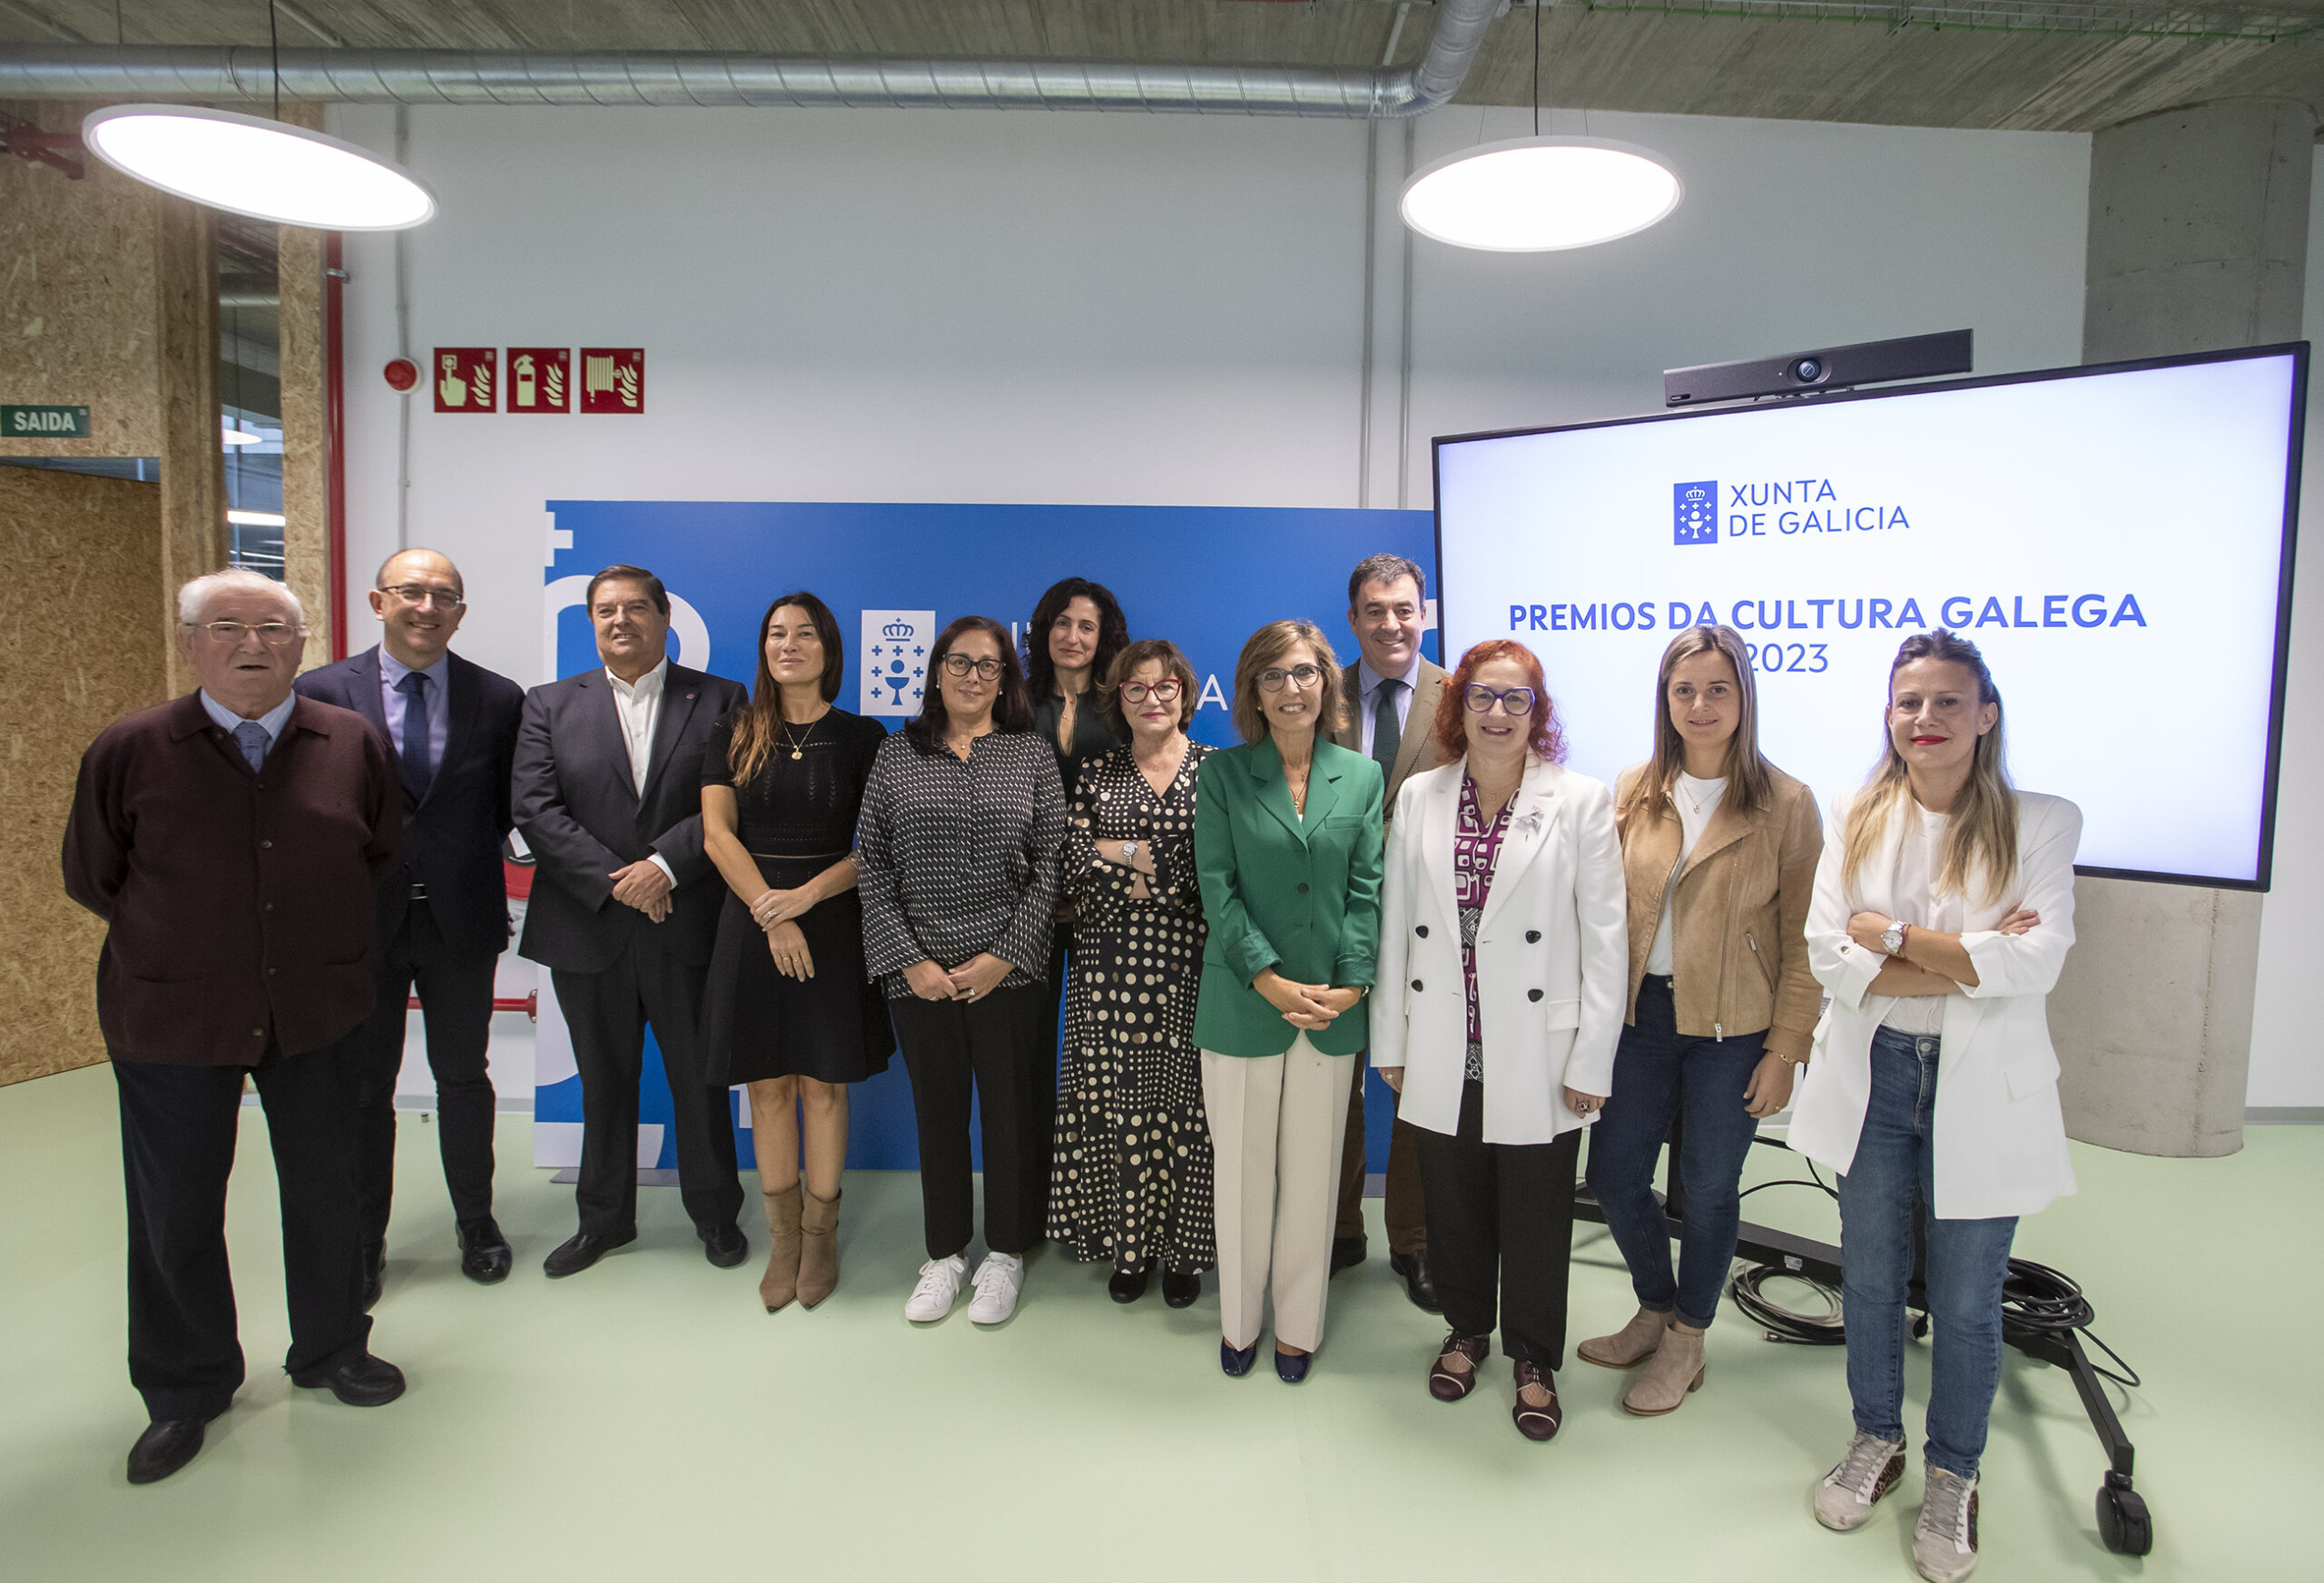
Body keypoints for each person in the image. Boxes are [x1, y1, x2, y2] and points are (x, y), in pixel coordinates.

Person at [63, 569, 406, 1487]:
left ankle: (332, 1347)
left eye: (272, 629)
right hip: (173, 1011)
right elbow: (93, 872)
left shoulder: (350, 741)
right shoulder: (131, 748)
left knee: (327, 1187)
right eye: (226, 627)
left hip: (317, 1010)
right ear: (189, 641)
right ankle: (185, 1387)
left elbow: (375, 853)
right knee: (174, 1205)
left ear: (301, 645)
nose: (251, 645)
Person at [1795, 630, 2077, 1583]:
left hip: (1978, 1090)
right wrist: (1968, 956)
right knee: (1871, 1280)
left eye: (1947, 702)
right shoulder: (1853, 810)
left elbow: (2037, 962)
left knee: (1963, 1303)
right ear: (1889, 714)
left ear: (1984, 714)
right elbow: (1828, 955)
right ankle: (1877, 1437)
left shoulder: (2041, 820)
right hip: (1872, 1077)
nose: (1926, 719)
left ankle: (1954, 1470)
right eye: (1909, 702)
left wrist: (1900, 939)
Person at [1372, 640, 1624, 1440]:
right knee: (1452, 1204)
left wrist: (1591, 1059)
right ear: (1460, 705)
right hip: (1445, 1034)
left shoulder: (1580, 800)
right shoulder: (1420, 796)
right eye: (1483, 696)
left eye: (1517, 700)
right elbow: (1394, 931)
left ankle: (1534, 1356)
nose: (1498, 713)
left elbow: (1606, 938)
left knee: (1538, 1211)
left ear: (1536, 712)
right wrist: (1392, 1041)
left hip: (1540, 1047)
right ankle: (1467, 1329)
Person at [1577, 624, 1822, 1413]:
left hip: (1733, 1031)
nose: (1701, 704)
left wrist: (1786, 1049)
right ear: (1665, 700)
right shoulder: (1633, 789)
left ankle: (1688, 1337)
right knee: (1613, 1175)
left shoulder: (1786, 803)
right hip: (1640, 1022)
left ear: (1745, 696)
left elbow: (1804, 941)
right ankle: (1655, 1306)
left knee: (1711, 1190)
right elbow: (1602, 912)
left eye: (1719, 688)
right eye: (1685, 690)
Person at [296, 548, 525, 1298]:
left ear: (461, 611)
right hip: (361, 922)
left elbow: (503, 807)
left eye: (445, 596)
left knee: (464, 1078)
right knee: (367, 1087)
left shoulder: (498, 698)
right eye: (412, 592)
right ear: (377, 600)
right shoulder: (320, 692)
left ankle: (477, 1222)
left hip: (461, 918)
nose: (428, 607)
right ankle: (365, 1238)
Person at [512, 565, 752, 1278]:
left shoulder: (720, 699)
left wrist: (664, 868)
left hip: (685, 921)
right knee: (603, 1082)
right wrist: (621, 882)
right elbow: (536, 808)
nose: (620, 621)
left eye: (635, 609)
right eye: (605, 610)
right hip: (587, 928)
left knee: (698, 1080)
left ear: (664, 617)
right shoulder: (548, 705)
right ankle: (604, 1221)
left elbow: (727, 801)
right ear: (590, 622)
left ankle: (716, 1217)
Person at [856, 615, 1067, 1327]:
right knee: (937, 1117)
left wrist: (1005, 954)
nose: (973, 677)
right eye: (959, 662)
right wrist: (911, 963)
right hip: (920, 977)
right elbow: (872, 863)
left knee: (1009, 1118)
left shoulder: (1030, 755)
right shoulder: (895, 755)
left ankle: (1005, 1255)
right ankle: (945, 1255)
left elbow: (1050, 868)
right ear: (936, 671)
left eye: (988, 666)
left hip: (1008, 973)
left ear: (1005, 680)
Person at [1194, 620, 1383, 1383]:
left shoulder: (1362, 777)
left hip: (1332, 1010)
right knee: (1240, 1176)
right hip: (1245, 1003)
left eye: (1304, 673)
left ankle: (1297, 1328)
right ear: (1253, 693)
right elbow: (1218, 888)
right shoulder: (1224, 775)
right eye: (1273, 677)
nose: (1292, 689)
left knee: (1313, 1179)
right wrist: (1269, 979)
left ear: (1326, 683)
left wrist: (1353, 982)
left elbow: (1368, 890)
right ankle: (1240, 1323)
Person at [701, 593, 892, 1312]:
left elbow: (875, 846)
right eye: (776, 634)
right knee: (769, 1085)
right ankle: (784, 1240)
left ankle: (822, 1237)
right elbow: (719, 836)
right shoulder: (734, 729)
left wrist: (806, 901)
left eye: (804, 633)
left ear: (828, 649)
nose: (789, 645)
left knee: (822, 1084)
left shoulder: (864, 736)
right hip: (751, 920)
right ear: (764, 649)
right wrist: (770, 913)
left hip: (833, 921)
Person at [1048, 639, 1216, 1306]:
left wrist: (1125, 859)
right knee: (1119, 1109)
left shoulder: (1216, 771)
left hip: (1193, 972)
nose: (1152, 699)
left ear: (1186, 693)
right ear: (1118, 698)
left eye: (1165, 686)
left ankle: (1185, 1252)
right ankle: (1131, 1247)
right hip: (1107, 974)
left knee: (1189, 1112)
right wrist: (1160, 860)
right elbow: (1071, 864)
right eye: (1136, 688)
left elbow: (1214, 872)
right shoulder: (1097, 770)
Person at [1328, 552, 1451, 1311]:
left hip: (1429, 926)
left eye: (1403, 608)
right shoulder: (1320, 690)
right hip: (1334, 921)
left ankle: (1415, 1241)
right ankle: (1337, 1229)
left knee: (1420, 1087)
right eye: (1374, 610)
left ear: (1423, 613)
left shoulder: (1459, 693)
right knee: (1333, 1083)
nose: (1390, 623)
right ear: (1354, 619)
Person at [1024, 576, 1130, 1223]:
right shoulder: (1011, 701)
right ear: (1044, 630)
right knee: (1029, 1058)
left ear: (1104, 637)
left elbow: (1141, 809)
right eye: (1062, 622)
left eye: (1086, 626)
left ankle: (1099, 1200)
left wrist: (1085, 879)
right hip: (1025, 907)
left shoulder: (1122, 706)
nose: (1073, 636)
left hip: (1106, 905)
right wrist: (1046, 887)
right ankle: (1031, 1203)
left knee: (1102, 1060)